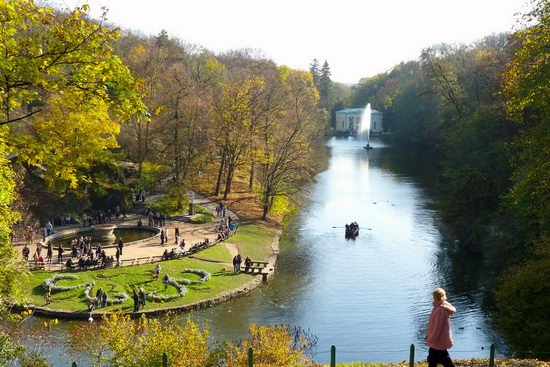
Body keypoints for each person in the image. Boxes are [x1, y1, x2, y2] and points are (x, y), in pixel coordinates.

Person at [426, 288, 456, 367]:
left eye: (433, 296)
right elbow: (433, 325)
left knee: (445, 359)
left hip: (438, 340)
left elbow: (437, 327)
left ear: (436, 297)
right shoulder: (441, 305)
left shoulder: (440, 309)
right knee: (432, 358)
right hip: (438, 340)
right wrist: (428, 335)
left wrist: (431, 339)